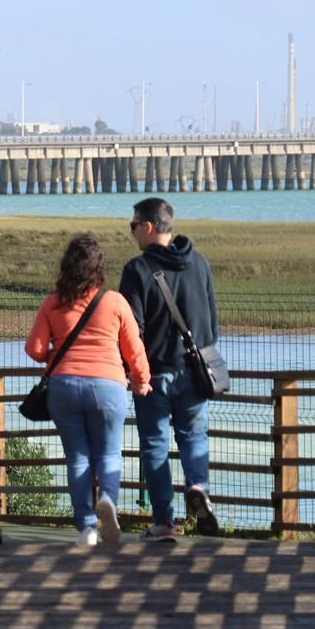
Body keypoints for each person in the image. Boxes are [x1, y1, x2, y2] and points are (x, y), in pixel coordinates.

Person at [26, 234, 152, 547]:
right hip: (108, 385)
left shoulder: (53, 302)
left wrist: (54, 349)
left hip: (64, 387)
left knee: (78, 457)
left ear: (67, 266)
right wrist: (142, 379)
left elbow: (35, 349)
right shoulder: (114, 302)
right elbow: (134, 349)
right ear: (99, 268)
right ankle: (107, 499)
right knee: (108, 453)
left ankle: (86, 528)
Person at [119, 197, 221, 540]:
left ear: (148, 227)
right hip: (195, 370)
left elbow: (131, 330)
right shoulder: (200, 262)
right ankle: (198, 487)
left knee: (154, 444)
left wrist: (133, 371)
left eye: (133, 226)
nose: (132, 232)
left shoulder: (137, 270)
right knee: (194, 437)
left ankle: (164, 522)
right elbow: (213, 325)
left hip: (154, 374)